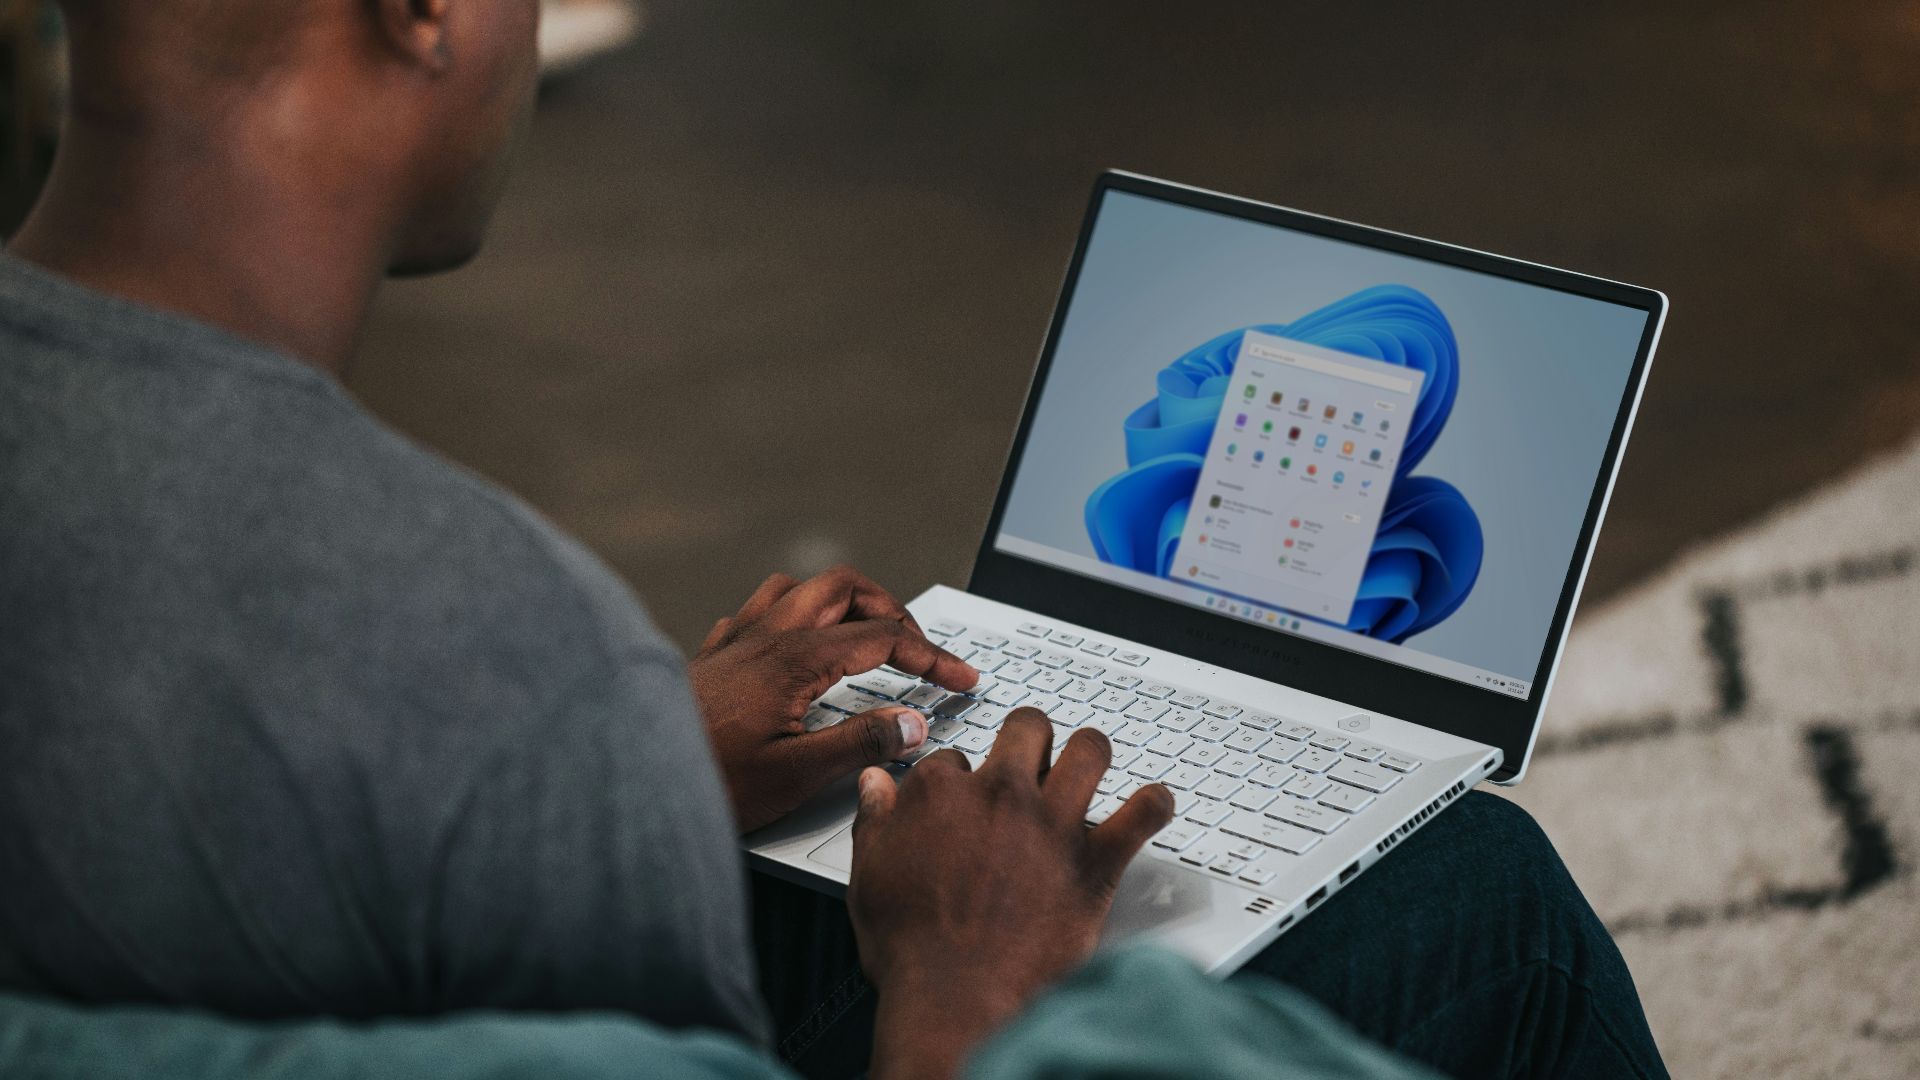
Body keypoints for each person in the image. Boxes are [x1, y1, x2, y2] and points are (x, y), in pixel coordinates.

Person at [0, 1, 1669, 1077]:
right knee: (1485, 895)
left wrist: (640, 754)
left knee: (866, 824)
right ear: (422, 11)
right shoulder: (489, 642)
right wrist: (967, 983)